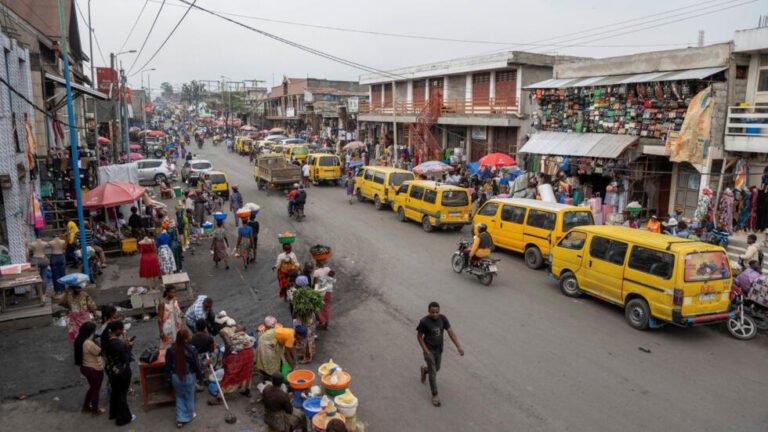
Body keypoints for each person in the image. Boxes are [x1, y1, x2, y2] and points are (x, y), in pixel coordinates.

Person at [417, 302, 464, 407]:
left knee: (436, 368)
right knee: (433, 373)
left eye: (437, 312)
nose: (435, 314)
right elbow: (419, 336)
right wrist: (426, 351)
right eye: (432, 312)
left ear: (439, 311)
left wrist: (458, 346)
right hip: (429, 351)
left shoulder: (443, 319)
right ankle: (435, 395)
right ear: (428, 311)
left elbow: (451, 332)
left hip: (439, 350)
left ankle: (425, 370)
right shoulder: (424, 322)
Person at [165, 329, 203, 428]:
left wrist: (167, 379)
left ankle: (180, 419)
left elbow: (167, 367)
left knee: (179, 396)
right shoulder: (192, 349)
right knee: (189, 395)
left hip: (175, 377)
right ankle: (189, 415)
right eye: (189, 335)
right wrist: (200, 378)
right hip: (188, 377)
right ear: (185, 339)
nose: (191, 336)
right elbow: (197, 365)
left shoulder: (171, 349)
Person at [103, 320, 136, 425]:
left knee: (116, 393)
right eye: (121, 329)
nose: (122, 332)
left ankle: (113, 413)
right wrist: (129, 346)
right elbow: (125, 358)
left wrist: (125, 345)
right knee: (121, 395)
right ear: (117, 330)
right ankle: (124, 418)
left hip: (111, 369)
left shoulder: (107, 340)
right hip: (121, 371)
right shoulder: (117, 344)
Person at [74, 321, 105, 416]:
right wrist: (97, 341)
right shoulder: (89, 343)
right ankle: (95, 411)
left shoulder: (79, 339)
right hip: (94, 369)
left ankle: (85, 407)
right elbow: (101, 352)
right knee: (95, 391)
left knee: (92, 388)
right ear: (92, 331)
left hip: (85, 367)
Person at [158, 286, 184, 350]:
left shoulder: (175, 300)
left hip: (177, 325)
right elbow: (159, 318)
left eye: (175, 292)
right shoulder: (162, 303)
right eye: (172, 293)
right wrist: (161, 332)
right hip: (168, 327)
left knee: (178, 343)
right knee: (168, 346)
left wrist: (181, 314)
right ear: (167, 293)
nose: (174, 294)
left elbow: (179, 311)